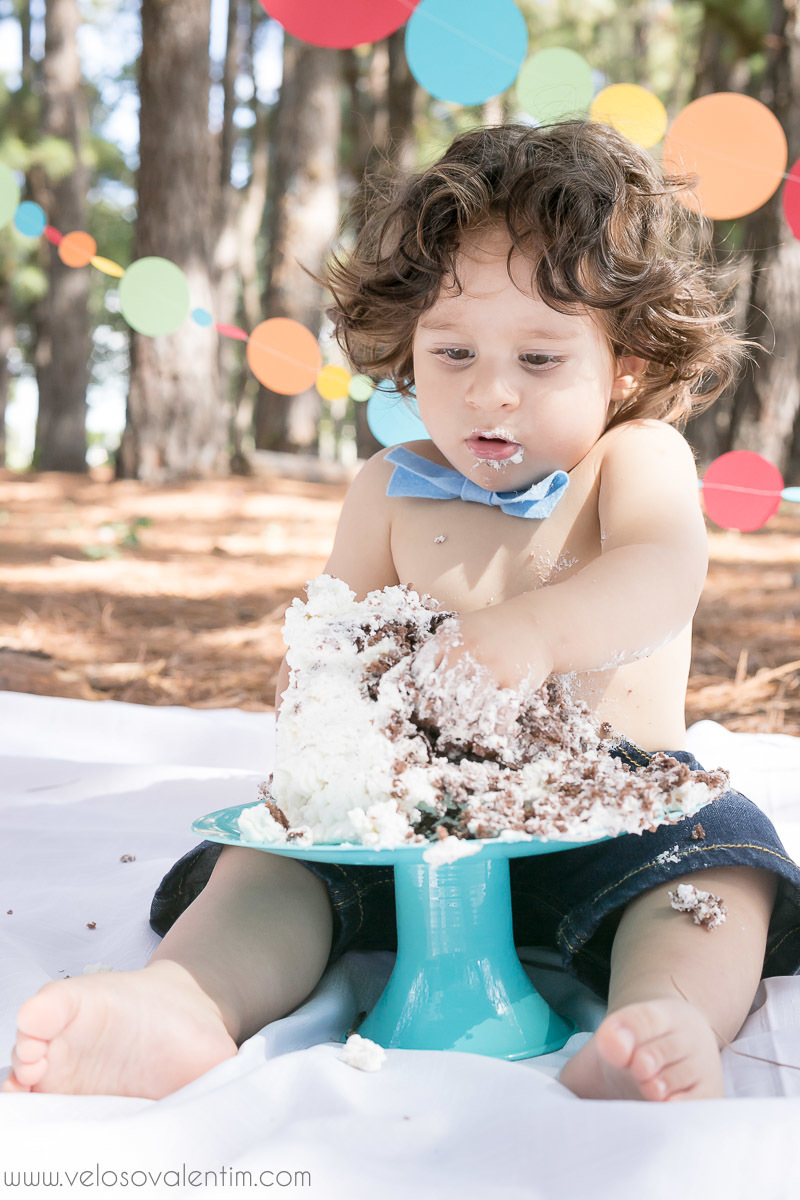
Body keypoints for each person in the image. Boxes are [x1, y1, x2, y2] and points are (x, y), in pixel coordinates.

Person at [4, 120, 800, 1104]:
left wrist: (534, 631)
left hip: (610, 801)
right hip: (409, 808)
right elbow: (336, 623)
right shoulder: (388, 485)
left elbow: (660, 571)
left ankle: (662, 1013)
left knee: (717, 865)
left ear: (625, 365)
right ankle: (184, 1003)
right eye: (452, 351)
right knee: (270, 861)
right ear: (406, 346)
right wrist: (321, 686)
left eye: (540, 360)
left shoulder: (628, 463)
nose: (489, 393)